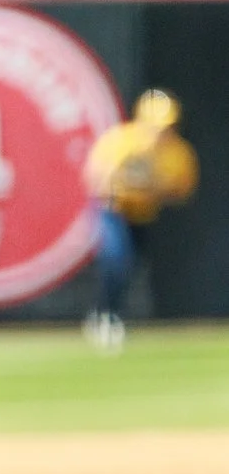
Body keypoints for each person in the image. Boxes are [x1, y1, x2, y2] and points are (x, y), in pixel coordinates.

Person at [81, 88, 197, 353]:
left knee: (129, 266)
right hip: (113, 209)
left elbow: (182, 190)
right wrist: (122, 184)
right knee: (115, 258)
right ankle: (106, 316)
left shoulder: (176, 153)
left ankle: (112, 313)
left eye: (166, 126)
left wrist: (152, 187)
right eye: (156, 126)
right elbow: (95, 178)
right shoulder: (121, 141)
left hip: (141, 214)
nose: (160, 133)